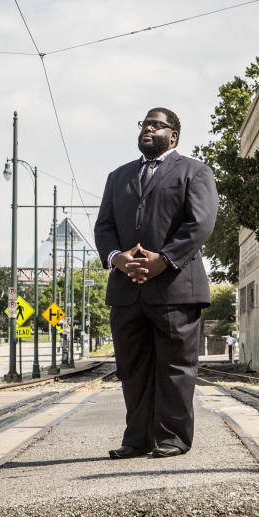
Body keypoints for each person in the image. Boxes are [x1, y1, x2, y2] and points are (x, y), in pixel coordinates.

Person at [94, 107, 218, 459]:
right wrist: (117, 258)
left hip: (175, 288)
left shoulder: (196, 171)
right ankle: (137, 439)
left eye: (156, 125)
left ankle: (173, 438)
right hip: (126, 290)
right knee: (132, 369)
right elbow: (104, 227)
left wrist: (162, 260)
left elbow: (200, 223)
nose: (147, 128)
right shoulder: (118, 177)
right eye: (144, 124)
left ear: (173, 135)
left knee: (175, 368)